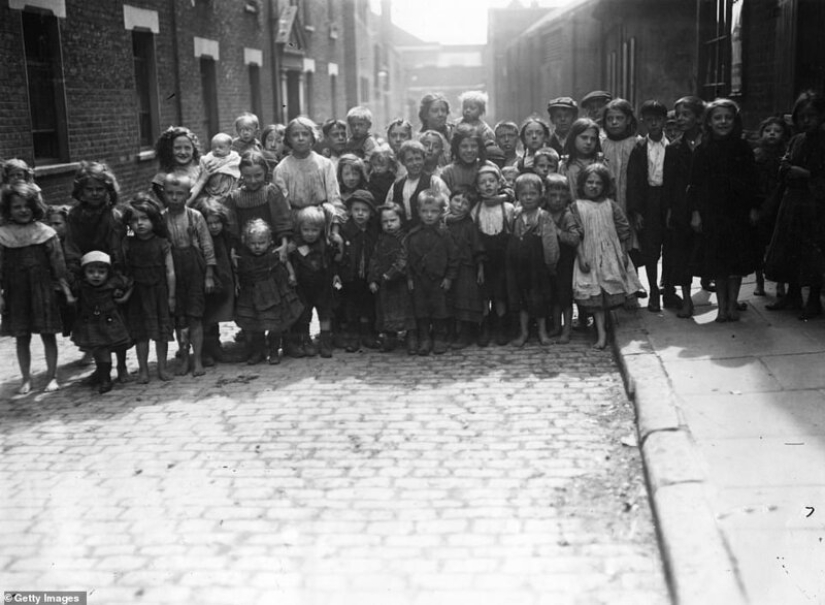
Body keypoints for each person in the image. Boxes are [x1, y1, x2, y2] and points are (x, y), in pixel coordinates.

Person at [688, 98, 760, 323]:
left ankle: (732, 305)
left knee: (735, 261)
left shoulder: (742, 148)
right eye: (718, 118)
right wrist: (696, 213)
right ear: (709, 122)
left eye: (728, 118)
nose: (723, 122)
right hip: (713, 212)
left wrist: (754, 208)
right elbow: (695, 184)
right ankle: (721, 307)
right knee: (718, 262)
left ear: (735, 121)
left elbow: (753, 181)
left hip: (737, 212)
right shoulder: (702, 150)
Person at [0, 182, 73, 394]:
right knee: (22, 336)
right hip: (16, 292)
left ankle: (52, 376)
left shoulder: (46, 233)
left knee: (48, 334)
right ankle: (25, 378)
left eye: (26, 206)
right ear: (8, 209)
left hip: (43, 290)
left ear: (35, 206)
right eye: (17, 206)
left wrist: (65, 291)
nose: (23, 210)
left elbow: (58, 267)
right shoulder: (3, 235)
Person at [64, 161, 131, 381]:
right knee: (93, 325)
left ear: (108, 190)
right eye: (89, 189)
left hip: (109, 275)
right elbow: (71, 245)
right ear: (80, 192)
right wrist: (75, 273)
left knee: (117, 324)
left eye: (100, 189)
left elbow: (118, 249)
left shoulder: (113, 216)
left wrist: (118, 279)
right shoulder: (74, 216)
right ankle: (101, 368)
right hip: (88, 276)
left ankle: (121, 367)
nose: (94, 193)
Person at [764, 91, 825, 319]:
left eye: (812, 116)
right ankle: (793, 294)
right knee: (790, 248)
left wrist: (807, 174)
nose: (806, 121)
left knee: (812, 252)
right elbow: (785, 164)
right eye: (802, 116)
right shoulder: (796, 140)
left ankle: (813, 300)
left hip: (815, 206)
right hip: (793, 202)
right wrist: (788, 169)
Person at [573, 163, 643, 348]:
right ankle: (601, 334)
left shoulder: (610, 205)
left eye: (598, 183)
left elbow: (623, 229)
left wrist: (623, 252)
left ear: (604, 186)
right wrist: (581, 256)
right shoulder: (577, 206)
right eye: (589, 182)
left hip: (610, 255)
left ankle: (607, 327)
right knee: (594, 297)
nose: (593, 186)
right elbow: (575, 234)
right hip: (589, 255)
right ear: (582, 184)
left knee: (609, 291)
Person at [162, 173, 217, 376]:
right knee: (180, 318)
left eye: (179, 193)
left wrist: (209, 274)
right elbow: (131, 231)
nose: (174, 197)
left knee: (195, 317)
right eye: (170, 193)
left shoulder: (195, 216)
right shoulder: (161, 218)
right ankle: (184, 358)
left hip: (194, 268)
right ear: (164, 194)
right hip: (173, 270)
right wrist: (127, 229)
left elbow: (207, 245)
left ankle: (198, 360)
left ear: (188, 194)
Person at [122, 194, 175, 383]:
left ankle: (162, 367)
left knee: (161, 333)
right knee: (141, 334)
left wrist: (172, 296)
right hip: (138, 293)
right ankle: (143, 369)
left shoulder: (162, 242)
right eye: (134, 220)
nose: (140, 224)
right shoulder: (128, 243)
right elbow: (125, 269)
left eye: (144, 219)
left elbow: (170, 271)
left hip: (159, 292)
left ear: (154, 220)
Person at [234, 218, 303, 365]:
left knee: (274, 324)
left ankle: (273, 351)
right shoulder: (244, 257)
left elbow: (286, 263)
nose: (257, 247)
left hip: (272, 295)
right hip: (252, 294)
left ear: (269, 241)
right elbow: (239, 272)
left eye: (261, 243)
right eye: (253, 244)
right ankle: (258, 351)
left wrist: (291, 275)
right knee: (256, 326)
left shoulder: (273, 254)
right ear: (246, 243)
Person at [272, 117, 347, 247]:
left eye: (305, 134)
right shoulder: (282, 168)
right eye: (295, 135)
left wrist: (335, 232)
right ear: (288, 139)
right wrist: (289, 239)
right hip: (296, 225)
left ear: (312, 138)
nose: (300, 138)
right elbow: (283, 208)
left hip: (323, 222)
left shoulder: (325, 164)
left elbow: (334, 200)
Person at [662, 96, 705, 318]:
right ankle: (687, 300)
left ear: (699, 117)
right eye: (677, 114)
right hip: (682, 209)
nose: (680, 119)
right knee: (682, 254)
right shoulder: (674, 148)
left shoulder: (709, 144)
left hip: (707, 207)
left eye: (686, 114)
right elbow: (669, 183)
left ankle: (726, 302)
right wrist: (670, 210)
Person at [506, 173, 560, 347]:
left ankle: (542, 332)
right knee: (521, 301)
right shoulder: (514, 215)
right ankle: (524, 332)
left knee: (539, 300)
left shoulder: (543, 216)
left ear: (540, 194)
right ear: (517, 195)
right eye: (524, 194)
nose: (528, 197)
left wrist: (550, 264)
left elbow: (550, 243)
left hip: (537, 268)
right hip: (519, 267)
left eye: (532, 193)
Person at [627, 100, 670, 312]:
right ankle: (653, 290)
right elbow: (633, 181)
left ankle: (668, 288)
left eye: (658, 120)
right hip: (648, 200)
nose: (654, 124)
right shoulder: (639, 147)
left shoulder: (672, 146)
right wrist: (636, 211)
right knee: (651, 249)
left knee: (670, 246)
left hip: (668, 199)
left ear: (664, 121)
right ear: (643, 122)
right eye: (649, 120)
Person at [405, 189, 458, 355]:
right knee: (421, 310)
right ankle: (425, 338)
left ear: (441, 212)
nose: (429, 215)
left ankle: (439, 338)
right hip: (419, 279)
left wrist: (449, 277)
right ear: (418, 212)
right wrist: (409, 278)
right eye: (425, 211)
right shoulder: (413, 235)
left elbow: (453, 258)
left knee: (439, 310)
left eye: (434, 211)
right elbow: (406, 259)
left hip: (439, 280)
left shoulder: (445, 234)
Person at [71, 251, 132, 394]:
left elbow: (130, 283)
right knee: (99, 347)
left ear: (108, 273)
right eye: (91, 272)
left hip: (112, 321)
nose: (96, 275)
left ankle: (121, 368)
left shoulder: (113, 284)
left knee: (119, 345)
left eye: (101, 272)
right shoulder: (83, 286)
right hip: (92, 322)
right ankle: (104, 377)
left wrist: (123, 297)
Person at [471, 164, 515, 346]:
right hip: (484, 259)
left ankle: (501, 326)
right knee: (484, 294)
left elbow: (512, 234)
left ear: (499, 183)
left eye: (491, 181)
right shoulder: (476, 210)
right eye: (483, 182)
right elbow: (476, 241)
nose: (488, 185)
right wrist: (480, 265)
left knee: (501, 294)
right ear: (477, 187)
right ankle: (485, 326)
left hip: (503, 259)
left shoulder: (508, 208)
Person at [288, 206, 336, 359]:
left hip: (323, 286)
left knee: (325, 314)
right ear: (300, 229)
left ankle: (325, 341)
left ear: (321, 230)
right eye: (306, 230)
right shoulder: (295, 245)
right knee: (304, 315)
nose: (310, 234)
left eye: (314, 230)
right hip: (303, 287)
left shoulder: (325, 245)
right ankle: (305, 340)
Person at [335, 189, 380, 352]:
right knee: (351, 307)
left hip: (368, 275)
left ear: (371, 213)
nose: (360, 214)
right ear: (350, 211)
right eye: (356, 210)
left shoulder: (373, 230)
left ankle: (368, 335)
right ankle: (352, 337)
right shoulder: (345, 230)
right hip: (350, 276)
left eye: (365, 210)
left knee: (369, 305)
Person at [368, 203, 415, 353]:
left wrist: (391, 273)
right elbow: (374, 259)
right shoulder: (381, 239)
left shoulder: (405, 238)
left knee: (406, 309)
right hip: (384, 283)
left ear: (400, 220)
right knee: (386, 310)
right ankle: (390, 338)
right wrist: (373, 279)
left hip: (401, 282)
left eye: (392, 220)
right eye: (385, 222)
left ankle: (412, 337)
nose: (389, 225)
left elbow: (403, 258)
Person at [601, 98, 642, 268]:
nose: (614, 122)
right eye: (610, 119)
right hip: (610, 197)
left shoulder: (637, 143)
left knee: (631, 237)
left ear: (629, 120)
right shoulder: (603, 144)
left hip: (629, 197)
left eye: (619, 118)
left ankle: (633, 279)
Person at [753, 116, 791, 298]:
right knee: (759, 245)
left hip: (779, 203)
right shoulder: (757, 155)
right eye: (768, 131)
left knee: (779, 245)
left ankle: (780, 284)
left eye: (777, 131)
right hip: (761, 203)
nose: (772, 134)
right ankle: (759, 282)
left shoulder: (786, 154)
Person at [226, 151, 293, 255]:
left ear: (265, 172)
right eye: (247, 176)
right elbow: (233, 228)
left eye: (258, 175)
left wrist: (284, 245)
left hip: (272, 248)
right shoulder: (235, 197)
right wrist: (233, 249)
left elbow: (282, 221)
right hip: (246, 251)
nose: (253, 181)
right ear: (241, 174)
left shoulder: (271, 192)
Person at [444, 187, 485, 349]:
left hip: (466, 267)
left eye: (465, 203)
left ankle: (466, 333)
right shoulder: (443, 221)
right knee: (450, 299)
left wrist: (481, 268)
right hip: (447, 267)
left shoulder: (469, 225)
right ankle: (451, 331)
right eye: (457, 200)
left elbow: (478, 247)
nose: (460, 205)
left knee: (465, 300)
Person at [198, 199, 236, 365]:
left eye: (217, 222)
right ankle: (206, 350)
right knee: (207, 315)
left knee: (217, 313)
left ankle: (216, 346)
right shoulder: (201, 240)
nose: (214, 227)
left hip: (224, 279)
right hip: (208, 280)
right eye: (209, 223)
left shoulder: (225, 237)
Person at [545, 174, 582, 343]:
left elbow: (575, 238)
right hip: (548, 260)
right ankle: (556, 326)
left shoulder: (567, 215)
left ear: (567, 196)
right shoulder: (544, 212)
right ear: (545, 195)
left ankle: (566, 329)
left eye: (562, 196)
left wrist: (558, 232)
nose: (557, 200)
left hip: (565, 262)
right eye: (553, 195)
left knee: (565, 297)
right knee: (553, 295)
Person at [385, 140, 450, 226]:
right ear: (403, 162)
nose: (415, 163)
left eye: (418, 159)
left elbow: (446, 208)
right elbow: (389, 208)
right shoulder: (397, 185)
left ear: (424, 159)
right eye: (410, 160)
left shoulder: (434, 182)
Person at [187, 132, 241, 207]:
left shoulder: (234, 158)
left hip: (229, 188)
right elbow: (203, 168)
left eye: (220, 147)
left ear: (230, 148)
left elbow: (237, 169)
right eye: (213, 147)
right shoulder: (208, 159)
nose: (217, 150)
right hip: (213, 190)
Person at [441, 124, 498, 193]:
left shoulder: (490, 167)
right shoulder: (448, 173)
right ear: (457, 148)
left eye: (474, 146)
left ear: (479, 147)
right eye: (464, 146)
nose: (469, 150)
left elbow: (507, 189)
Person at [151, 126, 202, 203]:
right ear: (169, 150)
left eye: (187, 148)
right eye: (177, 148)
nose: (183, 152)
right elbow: (178, 208)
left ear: (193, 149)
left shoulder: (201, 169)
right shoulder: (162, 178)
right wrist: (202, 180)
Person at [559, 118, 603, 201]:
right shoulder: (564, 165)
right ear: (573, 138)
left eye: (593, 139)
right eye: (584, 138)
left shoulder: (601, 164)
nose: (589, 142)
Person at [366, 143, 397, 207]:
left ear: (389, 165)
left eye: (382, 165)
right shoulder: (372, 177)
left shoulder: (390, 178)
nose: (378, 168)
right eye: (375, 165)